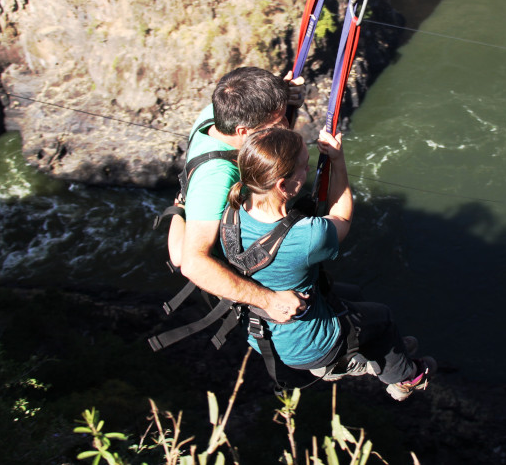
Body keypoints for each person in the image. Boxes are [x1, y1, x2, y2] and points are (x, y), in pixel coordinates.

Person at [226, 126, 436, 400]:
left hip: (260, 333)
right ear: (281, 184)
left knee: (353, 295)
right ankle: (404, 378)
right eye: (304, 167)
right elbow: (342, 218)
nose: (308, 170)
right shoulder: (306, 236)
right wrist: (338, 160)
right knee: (382, 317)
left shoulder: (230, 214)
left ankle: (370, 352)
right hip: (306, 345)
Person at [166, 67, 306, 324]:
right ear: (243, 131)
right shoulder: (218, 178)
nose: (286, 126)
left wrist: (282, 93)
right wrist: (270, 301)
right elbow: (192, 262)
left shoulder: (217, 113)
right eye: (276, 124)